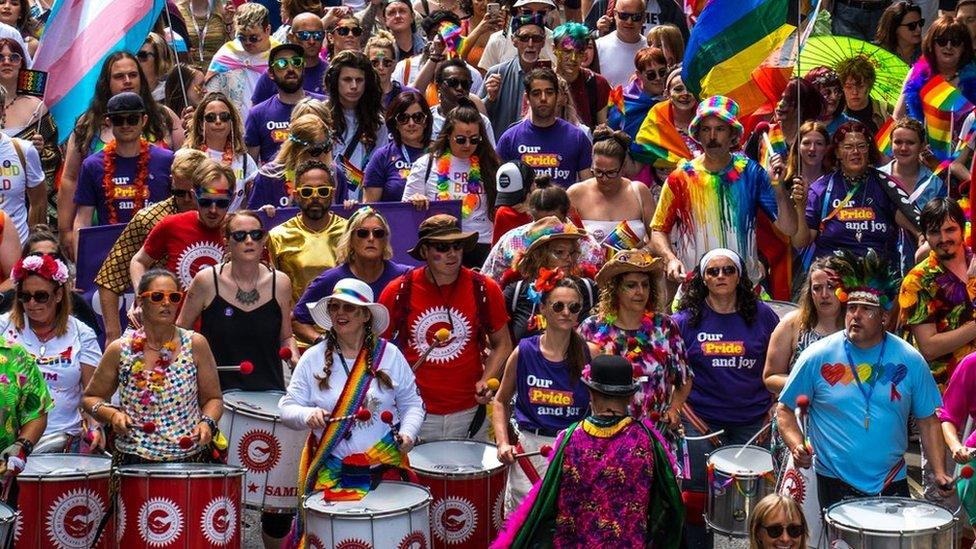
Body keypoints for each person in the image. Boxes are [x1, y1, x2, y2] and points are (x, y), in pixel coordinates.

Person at [777, 249, 950, 509]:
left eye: (866, 309)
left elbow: (928, 421)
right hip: (833, 479)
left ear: (883, 318)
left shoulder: (910, 360)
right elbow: (785, 409)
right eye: (851, 308)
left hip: (891, 479)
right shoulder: (817, 356)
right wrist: (796, 444)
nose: (855, 315)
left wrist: (938, 471)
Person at [280, 278, 425, 547]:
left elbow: (412, 404)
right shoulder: (313, 357)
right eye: (335, 307)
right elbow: (287, 408)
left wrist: (407, 434)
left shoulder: (390, 355)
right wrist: (307, 414)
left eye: (349, 308)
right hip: (332, 471)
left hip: (384, 470)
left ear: (365, 315)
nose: (340, 314)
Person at [494, 354, 683, 548]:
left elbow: (549, 499)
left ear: (590, 394)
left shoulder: (569, 438)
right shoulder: (648, 441)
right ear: (629, 397)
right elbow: (670, 493)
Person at [673, 248, 781, 546]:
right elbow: (670, 370)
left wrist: (775, 405)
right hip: (700, 422)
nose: (721, 276)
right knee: (695, 495)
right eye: (713, 271)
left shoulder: (764, 316)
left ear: (739, 276)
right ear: (703, 279)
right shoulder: (683, 321)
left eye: (728, 270)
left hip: (753, 422)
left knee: (758, 500)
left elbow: (782, 363)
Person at [379, 214, 512, 440]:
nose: (452, 253)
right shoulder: (398, 290)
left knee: (469, 475)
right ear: (424, 252)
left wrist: (487, 379)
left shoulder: (484, 288)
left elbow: (503, 344)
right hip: (415, 412)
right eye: (442, 247)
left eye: (457, 245)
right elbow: (376, 349)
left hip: (470, 411)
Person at [651, 96, 796, 287]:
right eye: (706, 129)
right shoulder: (681, 177)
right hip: (696, 290)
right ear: (698, 134)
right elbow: (658, 229)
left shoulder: (752, 173)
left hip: (744, 291)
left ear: (732, 134)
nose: (712, 137)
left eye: (719, 129)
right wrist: (670, 258)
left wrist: (778, 188)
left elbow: (789, 228)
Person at [83, 269, 223, 464]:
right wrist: (113, 415)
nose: (166, 303)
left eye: (174, 297)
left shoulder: (195, 344)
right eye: (157, 297)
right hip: (133, 459)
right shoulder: (120, 348)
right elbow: (90, 398)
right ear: (141, 301)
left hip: (188, 460)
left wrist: (207, 423)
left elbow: (213, 399)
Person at [57, 52, 182, 257]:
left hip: (155, 239)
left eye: (133, 75)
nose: (127, 81)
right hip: (102, 234)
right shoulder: (87, 123)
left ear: (143, 121)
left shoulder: (164, 118)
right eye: (119, 76)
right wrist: (66, 230)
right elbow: (70, 178)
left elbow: (182, 174)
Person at [579, 249, 692, 464]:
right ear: (615, 290)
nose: (640, 291)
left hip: (655, 436)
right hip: (604, 437)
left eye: (645, 284)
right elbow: (577, 380)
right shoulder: (592, 328)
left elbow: (685, 379)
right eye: (631, 285)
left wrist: (674, 408)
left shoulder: (665, 326)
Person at [493, 273, 593, 513]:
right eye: (558, 306)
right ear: (543, 309)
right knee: (525, 529)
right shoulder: (524, 352)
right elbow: (500, 401)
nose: (566, 312)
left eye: (574, 306)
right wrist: (502, 443)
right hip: (530, 448)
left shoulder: (591, 353)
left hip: (574, 449)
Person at [178, 209, 297, 389]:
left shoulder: (280, 282)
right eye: (240, 236)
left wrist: (295, 359)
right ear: (226, 242)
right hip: (216, 394)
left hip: (269, 390)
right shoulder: (206, 280)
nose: (249, 241)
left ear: (264, 239)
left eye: (256, 234)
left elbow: (286, 336)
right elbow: (181, 331)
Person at [95, 149, 205, 343]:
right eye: (179, 193)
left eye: (193, 193)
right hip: (159, 322)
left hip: (209, 321)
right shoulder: (149, 219)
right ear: (171, 182)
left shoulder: (220, 218)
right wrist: (112, 334)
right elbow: (110, 278)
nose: (187, 200)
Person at [0, 253, 100, 454]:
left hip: (64, 443)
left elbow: (92, 394)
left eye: (41, 296)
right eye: (25, 296)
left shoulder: (82, 334)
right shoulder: (2, 327)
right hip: (10, 444)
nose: (32, 303)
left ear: (58, 295)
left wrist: (95, 425)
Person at [792, 121, 921, 264]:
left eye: (861, 146)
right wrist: (801, 207)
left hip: (880, 278)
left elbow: (916, 227)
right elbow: (800, 242)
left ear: (869, 150)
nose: (856, 152)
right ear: (837, 152)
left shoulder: (886, 186)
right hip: (832, 278)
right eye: (848, 147)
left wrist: (922, 238)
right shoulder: (820, 189)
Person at [763, 256, 844, 473]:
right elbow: (770, 378)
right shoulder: (792, 324)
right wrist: (809, 384)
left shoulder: (855, 327)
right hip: (795, 422)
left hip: (841, 425)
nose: (824, 294)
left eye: (832, 287)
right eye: (817, 288)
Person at [293, 206, 410, 344]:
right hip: (345, 362)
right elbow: (297, 320)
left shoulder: (406, 276)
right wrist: (324, 343)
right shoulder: (330, 279)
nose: (371, 238)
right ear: (350, 240)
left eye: (378, 233)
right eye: (362, 233)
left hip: (393, 360)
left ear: (385, 240)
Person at [403, 100, 501, 266]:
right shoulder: (426, 164)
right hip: (440, 243)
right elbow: (405, 207)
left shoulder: (491, 166)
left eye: (474, 140)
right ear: (448, 136)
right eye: (461, 140)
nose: (468, 145)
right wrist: (416, 199)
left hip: (481, 245)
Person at [267, 160, 348, 349]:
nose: (315, 196)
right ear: (295, 195)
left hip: (346, 340)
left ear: (333, 193)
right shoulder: (278, 236)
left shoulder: (351, 233)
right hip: (296, 342)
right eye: (306, 191)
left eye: (322, 191)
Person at [73, 92, 174, 235]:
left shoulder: (167, 160)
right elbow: (83, 220)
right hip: (109, 252)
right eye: (119, 120)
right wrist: (82, 256)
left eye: (132, 119)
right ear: (109, 122)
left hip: (157, 250)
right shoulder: (92, 165)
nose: (126, 125)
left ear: (143, 120)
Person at [129, 159, 231, 290]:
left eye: (221, 203)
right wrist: (141, 296)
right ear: (194, 196)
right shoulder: (171, 224)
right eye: (205, 202)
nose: (213, 209)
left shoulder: (240, 231)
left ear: (232, 198)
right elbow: (139, 261)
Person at [483, 184, 605, 281]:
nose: (547, 227)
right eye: (541, 221)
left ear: (566, 214)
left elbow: (600, 284)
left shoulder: (588, 245)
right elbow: (490, 280)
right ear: (531, 215)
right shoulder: (511, 240)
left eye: (553, 221)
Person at [497, 68, 593, 189]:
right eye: (536, 93)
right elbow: (500, 188)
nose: (543, 98)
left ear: (557, 95)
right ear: (527, 98)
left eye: (549, 92)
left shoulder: (577, 137)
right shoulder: (509, 139)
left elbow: (589, 188)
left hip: (564, 206)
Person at [897, 15, 976, 160]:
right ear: (932, 45)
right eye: (942, 41)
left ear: (964, 47)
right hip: (921, 159)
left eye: (956, 42)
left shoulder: (973, 77)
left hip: (965, 160)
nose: (948, 46)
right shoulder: (917, 74)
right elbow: (898, 117)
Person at [504, 217, 596, 341]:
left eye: (571, 253)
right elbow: (498, 341)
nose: (568, 259)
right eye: (559, 252)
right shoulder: (515, 293)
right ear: (539, 256)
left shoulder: (589, 289)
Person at [0, 37, 59, 220]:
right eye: (0, 57)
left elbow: (55, 156)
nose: (7, 62)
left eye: (14, 57)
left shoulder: (37, 107)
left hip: (24, 202)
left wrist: (41, 151)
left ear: (22, 63)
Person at [569, 127, 654, 246]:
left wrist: (641, 252)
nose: (604, 178)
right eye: (598, 172)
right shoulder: (576, 193)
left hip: (633, 263)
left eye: (611, 173)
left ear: (623, 166)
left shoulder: (639, 192)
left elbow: (657, 239)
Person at [246, 43, 326, 165]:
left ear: (303, 68)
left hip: (316, 182)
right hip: (274, 181)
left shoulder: (323, 106)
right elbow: (249, 167)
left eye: (296, 62)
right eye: (282, 64)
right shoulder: (258, 114)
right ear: (271, 74)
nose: (290, 68)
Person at [326, 50, 389, 202]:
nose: (354, 86)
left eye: (359, 80)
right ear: (335, 81)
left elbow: (378, 167)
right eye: (347, 79)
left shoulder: (377, 122)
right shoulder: (321, 116)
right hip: (325, 200)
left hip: (361, 203)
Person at [879, 118, 940, 275]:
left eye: (910, 143)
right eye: (898, 142)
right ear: (890, 144)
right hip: (881, 258)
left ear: (921, 146)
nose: (903, 148)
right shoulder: (877, 178)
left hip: (922, 262)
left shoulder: (935, 183)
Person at [246, 113, 335, 209]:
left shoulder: (335, 175)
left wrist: (349, 207)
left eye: (326, 148)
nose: (321, 156)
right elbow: (252, 218)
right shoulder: (269, 176)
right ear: (296, 149)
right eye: (315, 151)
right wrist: (262, 213)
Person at [481, 13, 547, 141]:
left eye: (536, 38)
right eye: (524, 38)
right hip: (504, 148)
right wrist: (489, 98)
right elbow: (479, 116)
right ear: (514, 40)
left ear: (543, 42)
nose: (531, 43)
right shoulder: (498, 72)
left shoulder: (551, 75)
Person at [186, 91, 257, 210]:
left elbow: (255, 198)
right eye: (211, 117)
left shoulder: (244, 160)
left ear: (231, 122)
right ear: (200, 124)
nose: (218, 121)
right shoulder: (189, 156)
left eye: (224, 117)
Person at [632, 67, 701, 186]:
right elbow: (637, 163)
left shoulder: (706, 118)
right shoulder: (656, 119)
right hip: (664, 195)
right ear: (667, 94)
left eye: (690, 89)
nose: (685, 94)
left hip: (704, 191)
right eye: (678, 89)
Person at [205, 2, 276, 114]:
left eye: (253, 38)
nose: (247, 43)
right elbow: (210, 94)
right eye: (241, 37)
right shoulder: (228, 54)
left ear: (267, 30)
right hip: (236, 122)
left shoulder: (280, 54)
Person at [364, 90, 432, 202]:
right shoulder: (382, 156)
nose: (411, 123)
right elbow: (370, 207)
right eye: (403, 118)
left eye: (418, 117)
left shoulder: (440, 152)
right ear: (395, 123)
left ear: (426, 121)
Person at [252, 12, 328, 104]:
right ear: (291, 37)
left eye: (317, 35)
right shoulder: (274, 73)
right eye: (304, 35)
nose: (311, 41)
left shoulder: (331, 73)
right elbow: (256, 113)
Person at [0, 82, 43, 244]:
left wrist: (34, 248)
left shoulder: (24, 150)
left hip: (18, 250)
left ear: (2, 111)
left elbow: (38, 202)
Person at [553, 22, 610, 130]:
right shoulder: (542, 83)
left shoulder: (597, 83)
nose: (573, 58)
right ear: (554, 49)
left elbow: (603, 128)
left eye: (579, 52)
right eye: (567, 52)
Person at [428, 58, 496, 145]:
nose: (460, 88)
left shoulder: (481, 121)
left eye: (465, 84)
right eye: (453, 82)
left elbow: (490, 156)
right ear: (438, 87)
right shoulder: (427, 120)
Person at [477, 0, 557, 71]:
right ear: (518, 10)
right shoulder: (497, 39)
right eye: (527, 12)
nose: (534, 16)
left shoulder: (555, 39)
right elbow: (486, 73)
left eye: (541, 13)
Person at [611, 46, 668, 142]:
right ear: (639, 75)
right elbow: (612, 134)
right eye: (651, 74)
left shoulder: (674, 97)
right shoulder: (621, 100)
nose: (658, 78)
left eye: (662, 72)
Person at [595, 0, 648, 88]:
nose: (629, 21)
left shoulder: (651, 49)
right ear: (615, 14)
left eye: (636, 17)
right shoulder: (598, 47)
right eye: (624, 16)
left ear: (644, 17)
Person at [837, 55, 890, 137]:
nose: (855, 92)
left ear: (869, 86)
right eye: (849, 87)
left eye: (860, 86)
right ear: (842, 88)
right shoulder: (836, 112)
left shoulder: (886, 110)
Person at [366, 31, 418, 110]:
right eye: (375, 62)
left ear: (394, 65)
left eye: (386, 62)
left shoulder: (409, 95)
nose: (381, 67)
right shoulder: (359, 95)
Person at [177, 0, 237, 67]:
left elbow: (233, 46)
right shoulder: (178, 12)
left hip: (217, 71)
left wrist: (228, 22)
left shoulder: (223, 12)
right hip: (188, 73)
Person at [804, 67, 852, 136]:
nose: (834, 97)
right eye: (826, 92)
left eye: (837, 91)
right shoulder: (794, 126)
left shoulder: (851, 126)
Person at [138, 33, 174, 101]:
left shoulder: (172, 95)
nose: (135, 59)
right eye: (132, 55)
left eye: (142, 55)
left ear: (160, 60)